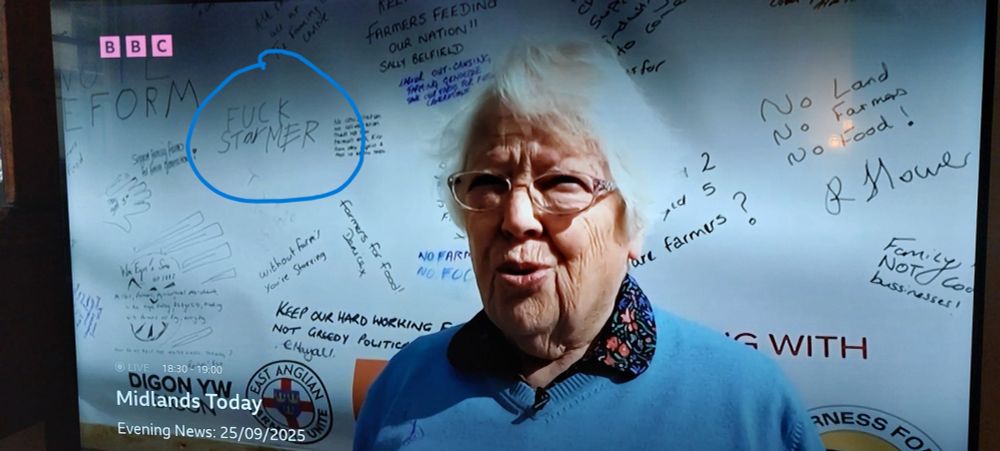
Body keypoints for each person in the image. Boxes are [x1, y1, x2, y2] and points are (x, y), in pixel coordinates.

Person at [354, 40, 824, 451]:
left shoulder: (746, 406)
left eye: (561, 181)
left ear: (632, 222)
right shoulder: (404, 387)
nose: (516, 218)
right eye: (488, 183)